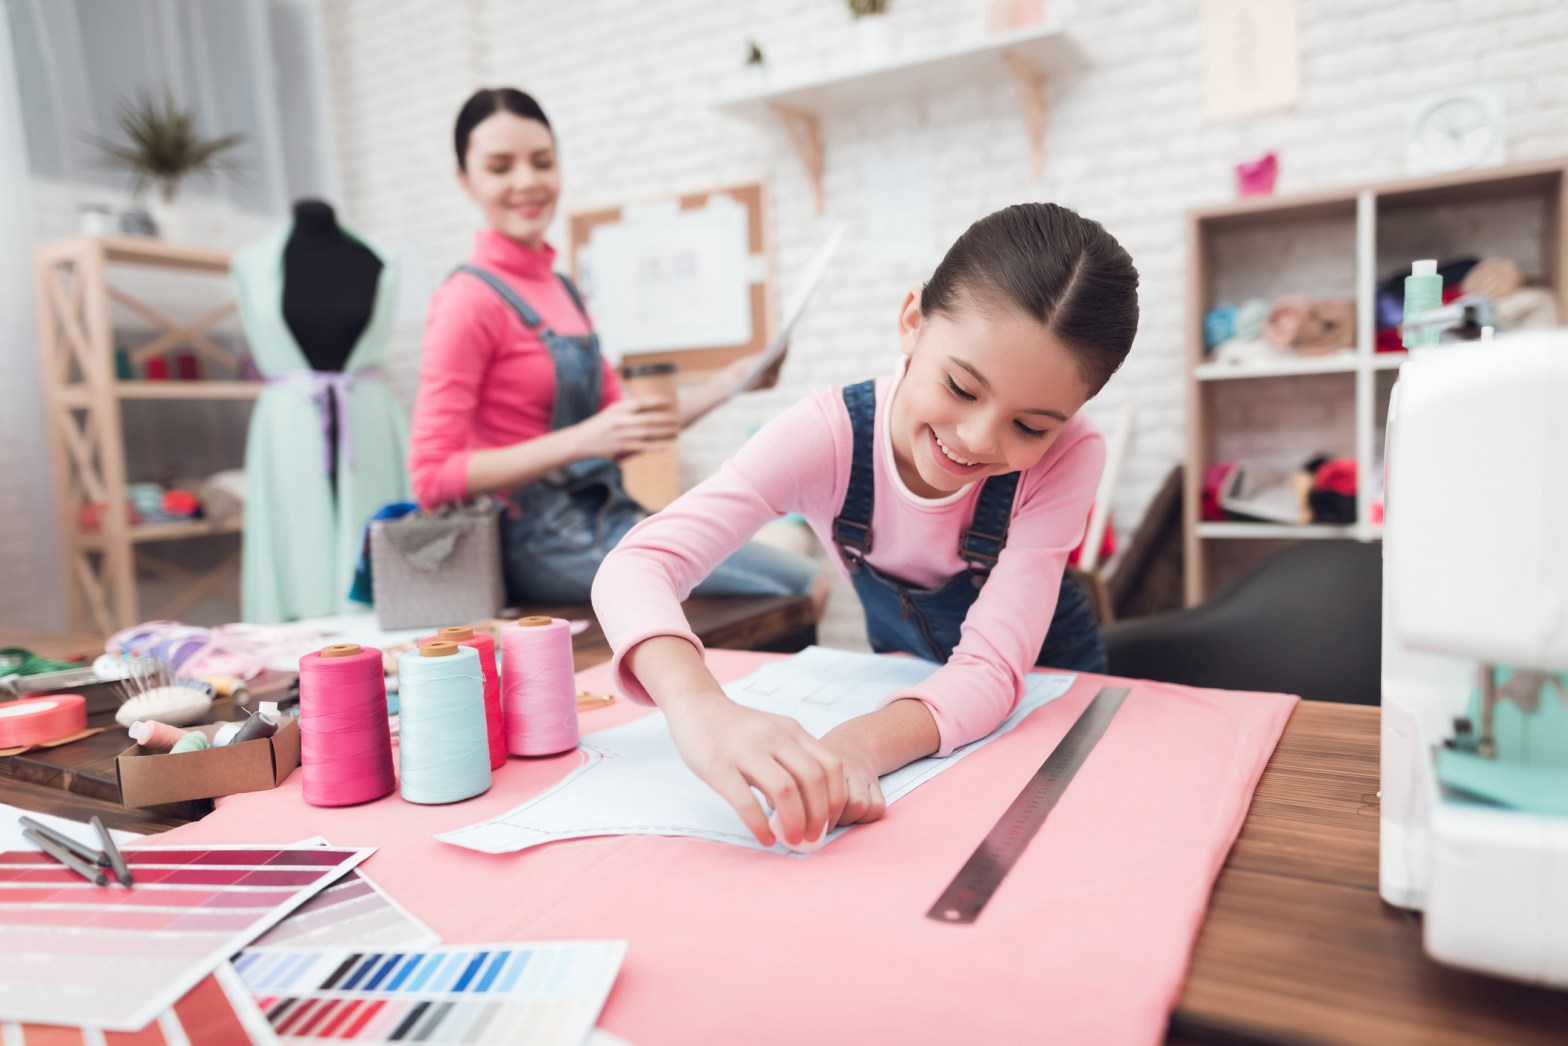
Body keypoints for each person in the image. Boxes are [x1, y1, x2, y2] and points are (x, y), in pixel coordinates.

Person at [591, 202, 1139, 849]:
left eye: (1030, 426)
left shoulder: (1072, 455)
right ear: (912, 321)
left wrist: (854, 746)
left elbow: (992, 669)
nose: (975, 440)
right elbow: (638, 564)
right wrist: (699, 706)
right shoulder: (826, 438)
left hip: (1044, 699)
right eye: (962, 388)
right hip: (914, 706)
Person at [409, 87, 821, 607]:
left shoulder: (563, 290)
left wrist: (731, 382)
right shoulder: (466, 300)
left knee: (800, 577)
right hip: (538, 544)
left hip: (604, 516)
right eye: (499, 167)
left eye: (542, 162)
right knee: (801, 584)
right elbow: (432, 476)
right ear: (465, 181)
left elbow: (625, 429)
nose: (527, 182)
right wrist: (582, 440)